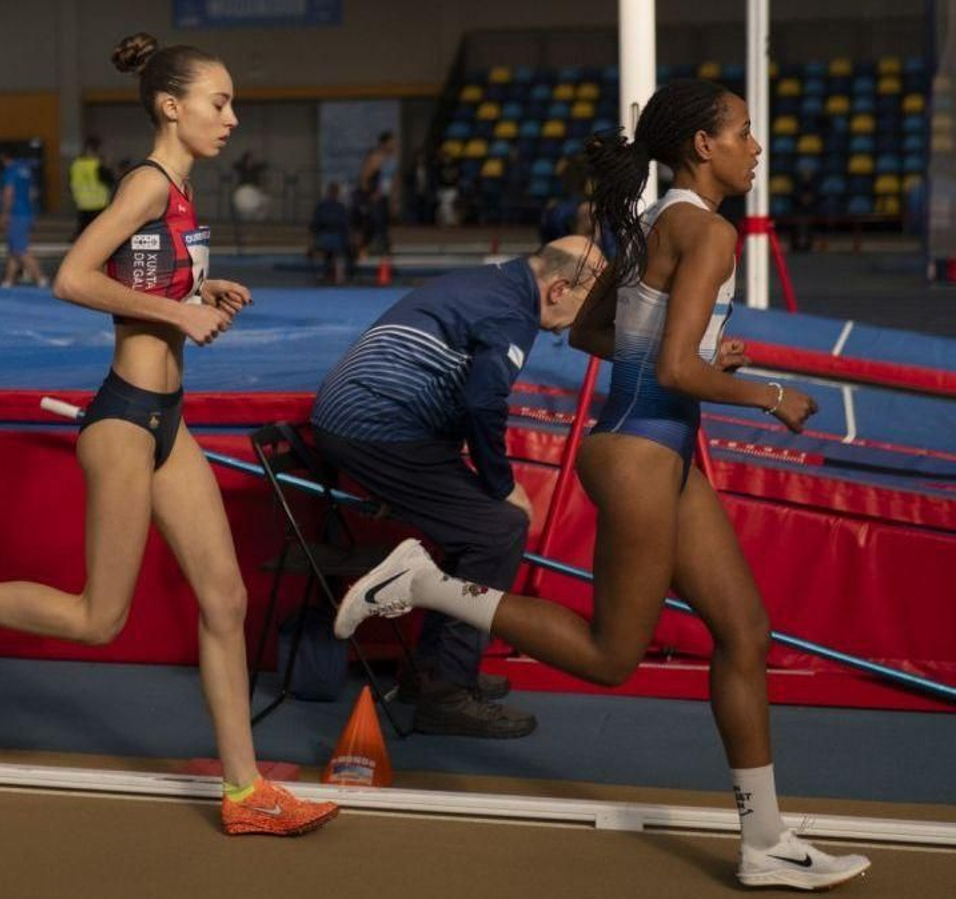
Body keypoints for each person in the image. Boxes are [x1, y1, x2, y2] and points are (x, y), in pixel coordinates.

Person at [334, 80, 869, 891]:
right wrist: (768, 394)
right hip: (642, 454)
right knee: (612, 654)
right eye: (745, 133)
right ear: (703, 146)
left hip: (657, 445)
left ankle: (765, 839)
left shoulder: (659, 223)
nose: (756, 147)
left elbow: (592, 330)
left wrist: (694, 352)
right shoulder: (709, 234)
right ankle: (425, 583)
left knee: (746, 631)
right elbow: (674, 365)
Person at [0, 31, 338, 837]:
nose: (232, 118)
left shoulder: (180, 192)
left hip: (166, 419)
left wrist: (200, 288)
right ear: (171, 106)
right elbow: (72, 276)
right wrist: (180, 311)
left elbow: (142, 279)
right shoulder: (150, 183)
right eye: (219, 104)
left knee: (224, 597)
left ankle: (245, 790)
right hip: (122, 421)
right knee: (96, 618)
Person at [312, 236, 604, 737]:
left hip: (368, 421)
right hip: (373, 428)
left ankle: (431, 672)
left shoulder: (492, 281)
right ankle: (446, 692)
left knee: (475, 527)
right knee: (499, 530)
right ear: (558, 289)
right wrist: (501, 483)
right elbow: (481, 405)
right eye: (583, 308)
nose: (576, 326)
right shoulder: (512, 312)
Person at [0, 148, 49, 288]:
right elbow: (33, 194)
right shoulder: (27, 171)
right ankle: (8, 281)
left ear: (4, 158)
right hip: (27, 212)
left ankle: (41, 278)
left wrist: (4, 213)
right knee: (14, 249)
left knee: (21, 249)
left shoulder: (10, 171)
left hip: (16, 214)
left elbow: (9, 193)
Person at [355, 131, 398, 273]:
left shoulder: (393, 159)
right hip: (373, 197)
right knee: (374, 225)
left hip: (384, 196)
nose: (394, 144)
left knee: (382, 225)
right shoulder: (375, 157)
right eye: (391, 142)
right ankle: (365, 251)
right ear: (384, 143)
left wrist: (393, 200)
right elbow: (364, 178)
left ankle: (384, 257)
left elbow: (391, 181)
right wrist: (369, 195)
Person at [308, 182, 353, 284]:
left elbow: (314, 225)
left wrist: (312, 240)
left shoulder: (322, 206)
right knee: (339, 253)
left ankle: (325, 274)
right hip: (336, 239)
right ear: (337, 194)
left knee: (329, 252)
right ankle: (339, 277)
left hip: (324, 238)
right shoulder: (340, 207)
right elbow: (345, 226)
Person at [69, 136, 115, 236]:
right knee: (100, 233)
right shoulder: (99, 165)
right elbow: (110, 181)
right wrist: (107, 165)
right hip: (99, 204)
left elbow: (71, 183)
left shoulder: (76, 165)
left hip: (82, 204)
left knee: (83, 232)